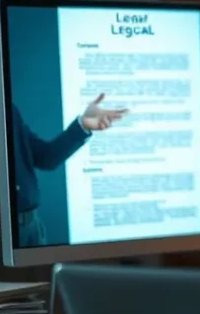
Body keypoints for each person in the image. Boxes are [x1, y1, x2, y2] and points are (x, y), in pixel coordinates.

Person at [13, 93, 127, 246]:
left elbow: (46, 158)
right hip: (8, 230)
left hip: (33, 227)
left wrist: (83, 125)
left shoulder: (11, 112)